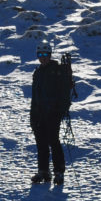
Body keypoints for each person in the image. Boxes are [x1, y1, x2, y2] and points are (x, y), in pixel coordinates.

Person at [29, 40, 73, 185]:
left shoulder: (57, 71)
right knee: (41, 143)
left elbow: (63, 94)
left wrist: (59, 110)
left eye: (45, 54)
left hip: (53, 113)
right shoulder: (38, 72)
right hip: (38, 113)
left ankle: (59, 172)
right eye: (40, 54)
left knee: (53, 141)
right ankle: (43, 171)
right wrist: (33, 114)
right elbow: (35, 95)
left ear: (49, 54)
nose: (43, 57)